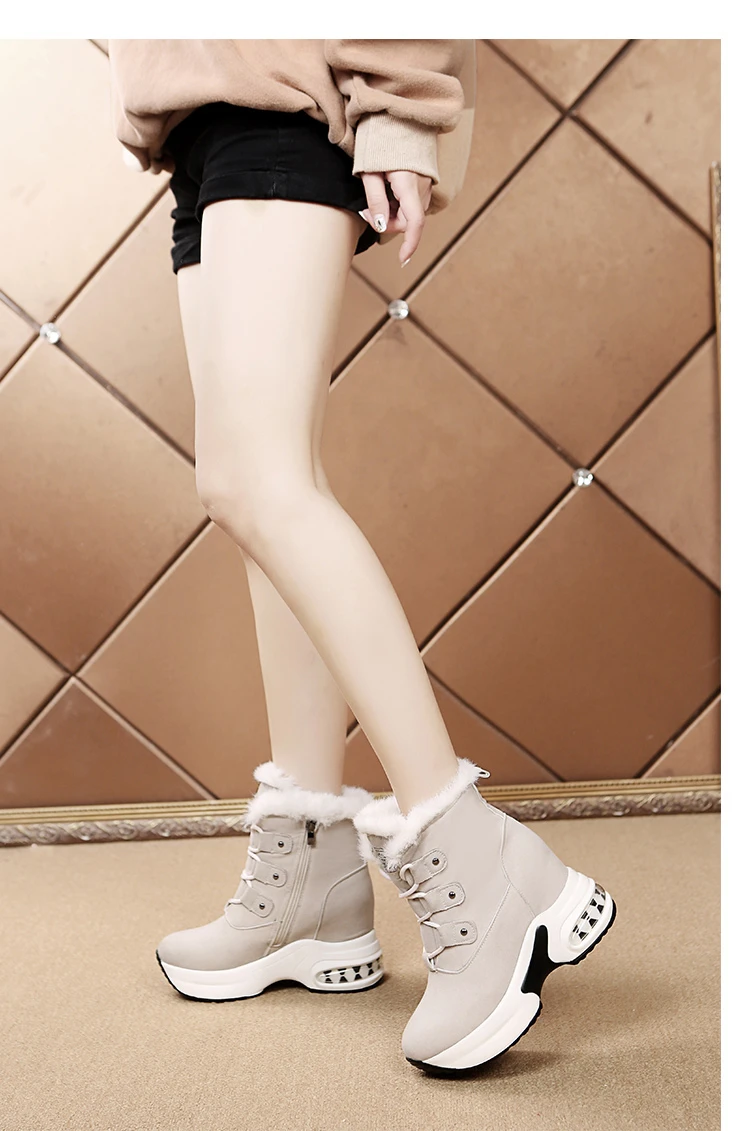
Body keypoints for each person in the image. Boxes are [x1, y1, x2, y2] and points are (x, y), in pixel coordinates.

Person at [107, 39, 616, 1074]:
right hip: (203, 123)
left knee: (261, 483)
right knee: (250, 490)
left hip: (285, 104)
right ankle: (312, 881)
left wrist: (399, 108)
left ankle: (481, 861)